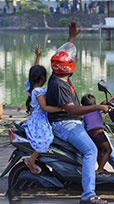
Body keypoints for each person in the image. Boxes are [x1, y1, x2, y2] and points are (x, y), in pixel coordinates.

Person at [46, 22, 110, 204]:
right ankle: (88, 195)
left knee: (101, 140)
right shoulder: (59, 85)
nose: (73, 61)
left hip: (74, 122)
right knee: (90, 150)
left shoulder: (58, 75)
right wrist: (96, 107)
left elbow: (64, 56)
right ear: (69, 67)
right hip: (66, 125)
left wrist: (72, 37)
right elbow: (72, 109)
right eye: (71, 61)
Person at [22, 45, 64, 174]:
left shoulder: (30, 86)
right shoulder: (39, 91)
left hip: (35, 117)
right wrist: (61, 109)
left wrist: (38, 57)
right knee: (46, 140)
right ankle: (31, 160)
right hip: (39, 119)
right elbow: (44, 107)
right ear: (43, 79)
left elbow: (34, 71)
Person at [81, 93, 114, 175]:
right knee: (108, 150)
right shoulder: (97, 108)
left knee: (99, 150)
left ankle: (100, 168)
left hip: (90, 133)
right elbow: (105, 102)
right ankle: (100, 169)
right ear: (94, 103)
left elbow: (104, 102)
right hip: (98, 132)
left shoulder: (84, 111)